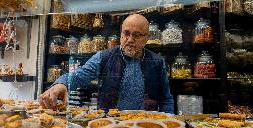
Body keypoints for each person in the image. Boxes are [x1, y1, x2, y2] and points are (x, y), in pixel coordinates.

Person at [40, 14, 174, 113]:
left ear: (147, 38)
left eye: (137, 35)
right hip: (109, 124)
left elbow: (166, 99)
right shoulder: (104, 57)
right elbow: (77, 76)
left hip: (145, 127)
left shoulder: (157, 62)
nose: (130, 40)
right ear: (121, 33)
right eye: (126, 33)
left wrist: (168, 123)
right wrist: (61, 84)